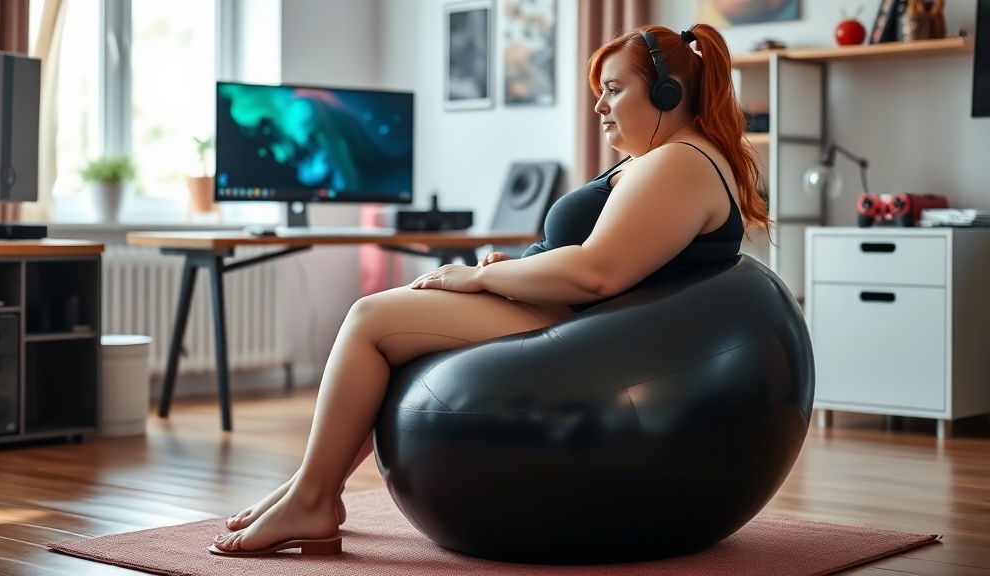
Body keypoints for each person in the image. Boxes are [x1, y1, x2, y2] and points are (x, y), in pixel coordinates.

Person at [209, 22, 770, 557]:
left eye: (615, 90)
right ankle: (314, 486)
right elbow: (602, 259)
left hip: (582, 335)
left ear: (668, 94)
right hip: (569, 314)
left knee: (369, 319)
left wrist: (478, 276)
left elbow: (597, 274)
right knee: (400, 321)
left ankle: (310, 497)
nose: (599, 106)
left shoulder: (679, 163)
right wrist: (517, 268)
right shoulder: (667, 158)